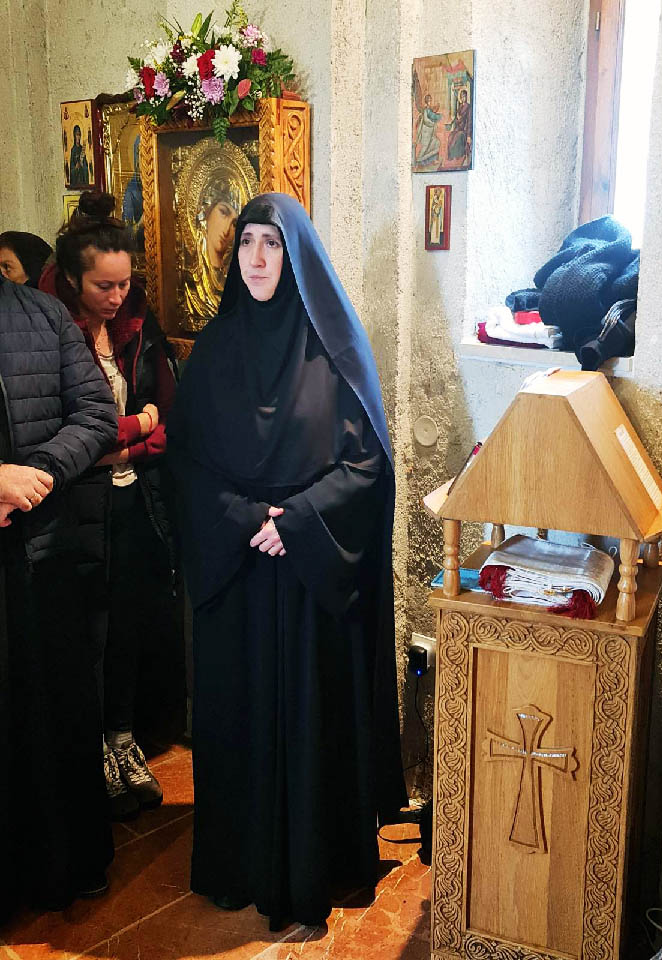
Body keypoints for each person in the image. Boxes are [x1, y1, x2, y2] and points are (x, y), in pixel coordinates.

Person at [167, 193, 407, 930]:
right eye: (246, 244)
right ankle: (238, 863)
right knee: (237, 717)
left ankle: (315, 866)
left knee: (312, 721)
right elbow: (185, 463)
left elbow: (368, 465)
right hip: (239, 567)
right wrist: (246, 520)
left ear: (296, 255)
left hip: (311, 575)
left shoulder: (335, 350)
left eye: (272, 244)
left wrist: (297, 522)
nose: (258, 258)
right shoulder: (212, 352)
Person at [39, 190, 183, 822]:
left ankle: (123, 738)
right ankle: (91, 746)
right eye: (104, 286)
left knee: (128, 624)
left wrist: (132, 436)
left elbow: (168, 416)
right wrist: (133, 426)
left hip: (134, 498)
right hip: (75, 505)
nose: (117, 297)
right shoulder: (51, 333)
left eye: (125, 284)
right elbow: (70, 434)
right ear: (73, 280)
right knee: (87, 632)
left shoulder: (137, 327)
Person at [0, 270, 118, 917]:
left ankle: (68, 865)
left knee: (58, 710)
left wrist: (38, 473)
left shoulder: (41, 315)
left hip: (43, 550)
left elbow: (96, 414)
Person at [182, 180, 241, 329]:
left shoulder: (235, 282)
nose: (227, 229)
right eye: (223, 212)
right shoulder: (189, 280)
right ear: (206, 211)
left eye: (235, 224)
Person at [447, 88, 471, 163]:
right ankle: (451, 156)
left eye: (464, 96)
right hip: (458, 127)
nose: (463, 98)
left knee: (458, 136)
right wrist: (455, 120)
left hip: (464, 129)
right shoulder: (460, 106)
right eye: (461, 96)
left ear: (466, 97)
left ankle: (458, 155)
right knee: (451, 136)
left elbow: (469, 121)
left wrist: (468, 135)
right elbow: (457, 118)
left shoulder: (468, 107)